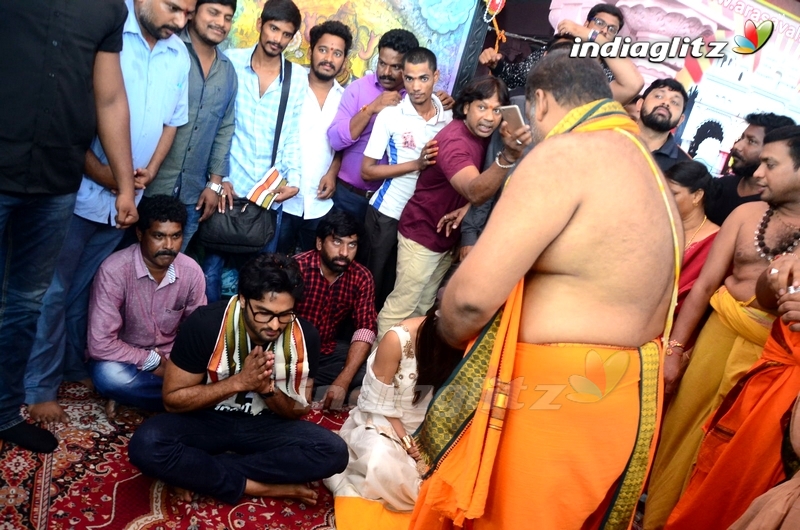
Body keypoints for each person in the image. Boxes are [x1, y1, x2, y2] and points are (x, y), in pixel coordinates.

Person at [410, 50, 681, 529]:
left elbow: (472, 297)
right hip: (619, 402)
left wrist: (443, 334)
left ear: (537, 103)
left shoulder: (565, 154)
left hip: (552, 401)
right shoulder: (652, 173)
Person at [23, 0, 193, 426]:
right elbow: (76, 116)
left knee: (85, 289)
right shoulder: (107, 31)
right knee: (52, 292)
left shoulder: (178, 55)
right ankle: (38, 386)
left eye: (187, 13)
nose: (180, 21)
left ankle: (74, 369)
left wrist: (148, 173)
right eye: (174, 8)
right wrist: (114, 181)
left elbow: (172, 122)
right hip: (80, 192)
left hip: (127, 202)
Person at [644, 130, 800, 530]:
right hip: (718, 337)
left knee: (730, 457)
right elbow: (704, 289)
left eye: (771, 164)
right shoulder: (746, 215)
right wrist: (675, 350)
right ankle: (655, 518)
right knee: (679, 436)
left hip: (773, 361)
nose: (758, 172)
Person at [0, 1, 137, 454]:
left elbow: (110, 98)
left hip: (57, 183)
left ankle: (4, 413)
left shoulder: (107, 9)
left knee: (26, 304)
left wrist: (123, 186)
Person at [128, 253, 348, 506]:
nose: (275, 325)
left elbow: (298, 410)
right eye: (264, 313)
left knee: (334, 453)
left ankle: (197, 471)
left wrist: (268, 389)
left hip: (265, 425)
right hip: (207, 418)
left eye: (285, 315)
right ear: (243, 300)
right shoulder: (205, 324)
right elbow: (172, 400)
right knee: (146, 444)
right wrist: (238, 383)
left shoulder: (305, 336)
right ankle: (256, 486)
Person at [376, 76, 530, 339]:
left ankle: (402, 367)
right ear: (466, 107)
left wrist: (468, 207)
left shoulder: (484, 136)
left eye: (496, 110)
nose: (489, 118)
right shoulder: (455, 143)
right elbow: (475, 189)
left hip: (445, 237)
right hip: (422, 236)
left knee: (423, 308)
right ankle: (377, 370)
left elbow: (477, 192)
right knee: (400, 307)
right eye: (482, 107)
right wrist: (508, 156)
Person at [203, 0, 307, 302]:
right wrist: (215, 178)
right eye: (274, 28)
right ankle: (213, 334)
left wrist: (295, 180)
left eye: (286, 34)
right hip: (226, 188)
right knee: (210, 270)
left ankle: (246, 339)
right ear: (260, 24)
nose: (277, 39)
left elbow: (292, 134)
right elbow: (213, 125)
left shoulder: (296, 78)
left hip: (265, 195)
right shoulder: (229, 61)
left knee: (258, 278)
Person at [324, 304, 465, 526]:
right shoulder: (398, 339)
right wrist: (410, 445)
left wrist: (435, 441)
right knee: (378, 462)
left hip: (436, 428)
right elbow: (379, 404)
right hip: (386, 423)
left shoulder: (470, 345)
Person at [87, 196, 206, 417]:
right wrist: (153, 363)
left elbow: (198, 331)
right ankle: (189, 398)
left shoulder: (191, 271)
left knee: (216, 366)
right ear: (141, 234)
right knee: (109, 376)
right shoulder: (114, 270)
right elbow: (100, 344)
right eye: (159, 236)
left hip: (173, 358)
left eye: (176, 236)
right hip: (125, 358)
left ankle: (139, 397)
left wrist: (176, 365)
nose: (168, 246)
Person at [327, 29, 453, 222]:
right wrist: (370, 109)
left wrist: (443, 102)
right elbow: (335, 140)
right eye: (382, 63)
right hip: (349, 197)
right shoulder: (358, 89)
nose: (386, 72)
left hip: (392, 206)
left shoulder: (421, 98)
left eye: (395, 67)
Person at [362, 47, 453, 311]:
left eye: (423, 78)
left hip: (423, 217)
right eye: (410, 78)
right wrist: (416, 164)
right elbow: (367, 171)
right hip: (388, 213)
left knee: (401, 291)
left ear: (436, 76)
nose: (415, 86)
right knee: (372, 290)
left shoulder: (447, 115)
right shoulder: (390, 115)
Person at [147, 0, 239, 251]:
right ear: (193, 13)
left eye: (228, 17)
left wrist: (214, 184)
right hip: (149, 185)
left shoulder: (228, 71)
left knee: (170, 269)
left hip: (193, 194)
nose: (221, 23)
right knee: (127, 264)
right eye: (214, 13)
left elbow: (225, 128)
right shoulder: (168, 51)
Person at [275, 20, 352, 254]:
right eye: (323, 49)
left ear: (344, 60)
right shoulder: (287, 86)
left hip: (321, 203)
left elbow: (345, 144)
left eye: (337, 53)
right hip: (281, 200)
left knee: (313, 271)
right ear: (311, 51)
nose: (329, 58)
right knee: (272, 267)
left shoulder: (346, 98)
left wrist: (333, 172)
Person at [293, 211, 378, 409]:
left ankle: (318, 390)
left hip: (326, 352)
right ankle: (308, 389)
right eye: (337, 242)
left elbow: (365, 328)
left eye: (352, 245)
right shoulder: (297, 268)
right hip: (290, 352)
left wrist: (343, 380)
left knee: (373, 370)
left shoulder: (361, 277)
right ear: (320, 243)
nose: (344, 253)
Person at [479, 4, 642, 103]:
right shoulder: (559, 51)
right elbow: (515, 77)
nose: (604, 31)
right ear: (586, 23)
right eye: (599, 23)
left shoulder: (610, 74)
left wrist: (592, 35)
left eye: (611, 29)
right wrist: (496, 65)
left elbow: (633, 84)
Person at [705, 112, 795, 226]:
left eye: (751, 141)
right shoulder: (721, 186)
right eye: (741, 138)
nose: (737, 146)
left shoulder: (775, 207)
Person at [666, 161, 720, 315]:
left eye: (673, 193)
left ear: (697, 196)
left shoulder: (717, 241)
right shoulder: (658, 227)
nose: (665, 198)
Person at [636, 78, 692, 174]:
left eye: (674, 102)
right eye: (659, 96)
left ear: (680, 120)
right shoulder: (610, 138)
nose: (666, 103)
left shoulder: (686, 167)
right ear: (640, 104)